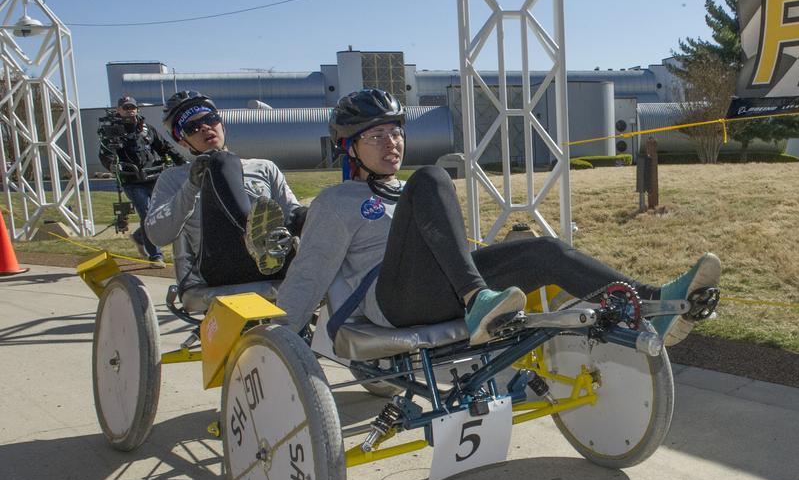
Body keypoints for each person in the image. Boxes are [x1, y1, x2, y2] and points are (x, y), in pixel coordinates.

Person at [272, 88, 720, 346]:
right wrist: (274, 343)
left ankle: (653, 304)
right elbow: (309, 275)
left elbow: (451, 248)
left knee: (541, 250)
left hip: (447, 288)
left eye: (395, 132)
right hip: (394, 301)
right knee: (433, 176)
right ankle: (477, 300)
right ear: (348, 147)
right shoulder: (335, 202)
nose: (391, 143)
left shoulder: (407, 193)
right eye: (375, 136)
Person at [145, 90, 306, 295]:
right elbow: (157, 236)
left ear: (221, 123)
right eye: (192, 127)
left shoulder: (264, 167)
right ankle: (254, 240)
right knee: (220, 160)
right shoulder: (174, 178)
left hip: (276, 261)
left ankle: (263, 243)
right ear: (183, 141)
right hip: (222, 268)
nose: (205, 128)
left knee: (325, 206)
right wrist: (191, 187)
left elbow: (293, 215)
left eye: (210, 119)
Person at [97, 95, 181, 264]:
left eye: (132, 107)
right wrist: (112, 165)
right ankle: (155, 255)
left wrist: (180, 160)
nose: (129, 110)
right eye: (125, 108)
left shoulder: (146, 130)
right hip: (132, 181)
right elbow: (105, 154)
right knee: (148, 213)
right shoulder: (112, 132)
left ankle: (139, 237)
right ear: (119, 110)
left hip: (154, 177)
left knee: (161, 212)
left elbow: (163, 146)